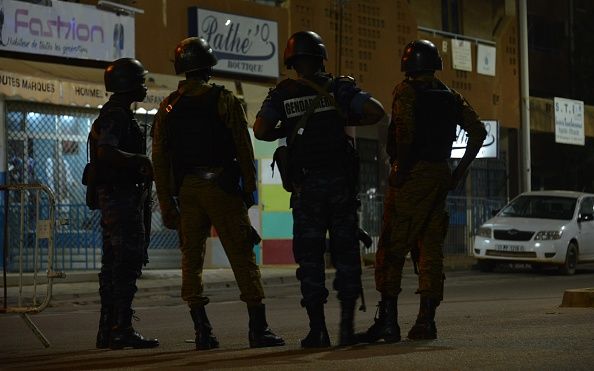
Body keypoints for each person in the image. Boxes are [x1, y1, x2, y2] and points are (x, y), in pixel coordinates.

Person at [254, 31, 388, 347]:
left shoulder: (282, 94)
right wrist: (343, 113)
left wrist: (286, 129)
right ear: (320, 58)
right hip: (340, 187)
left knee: (311, 260)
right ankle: (345, 329)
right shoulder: (339, 88)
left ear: (292, 61)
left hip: (306, 189)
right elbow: (377, 111)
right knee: (345, 257)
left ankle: (319, 331)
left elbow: (260, 130)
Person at [151, 37, 284, 350]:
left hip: (187, 191)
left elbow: (160, 159)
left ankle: (203, 331)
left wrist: (167, 202)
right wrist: (249, 191)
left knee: (191, 259)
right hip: (221, 188)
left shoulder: (169, 106)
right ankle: (258, 328)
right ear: (209, 66)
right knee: (241, 253)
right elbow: (242, 145)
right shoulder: (224, 99)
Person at [359, 39, 487, 343]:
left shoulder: (406, 92)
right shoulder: (451, 96)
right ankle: (426, 320)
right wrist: (458, 172)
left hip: (414, 174)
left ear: (408, 65)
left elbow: (404, 133)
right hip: (440, 174)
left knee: (391, 246)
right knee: (430, 248)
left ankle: (388, 322)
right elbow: (478, 132)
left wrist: (401, 172)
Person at [88, 58, 159, 349]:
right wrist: (139, 160)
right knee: (126, 263)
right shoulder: (116, 115)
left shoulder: (114, 113)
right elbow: (106, 150)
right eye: (141, 81)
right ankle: (121, 328)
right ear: (128, 84)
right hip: (121, 198)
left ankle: (108, 329)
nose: (144, 87)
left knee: (113, 264)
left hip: (116, 198)